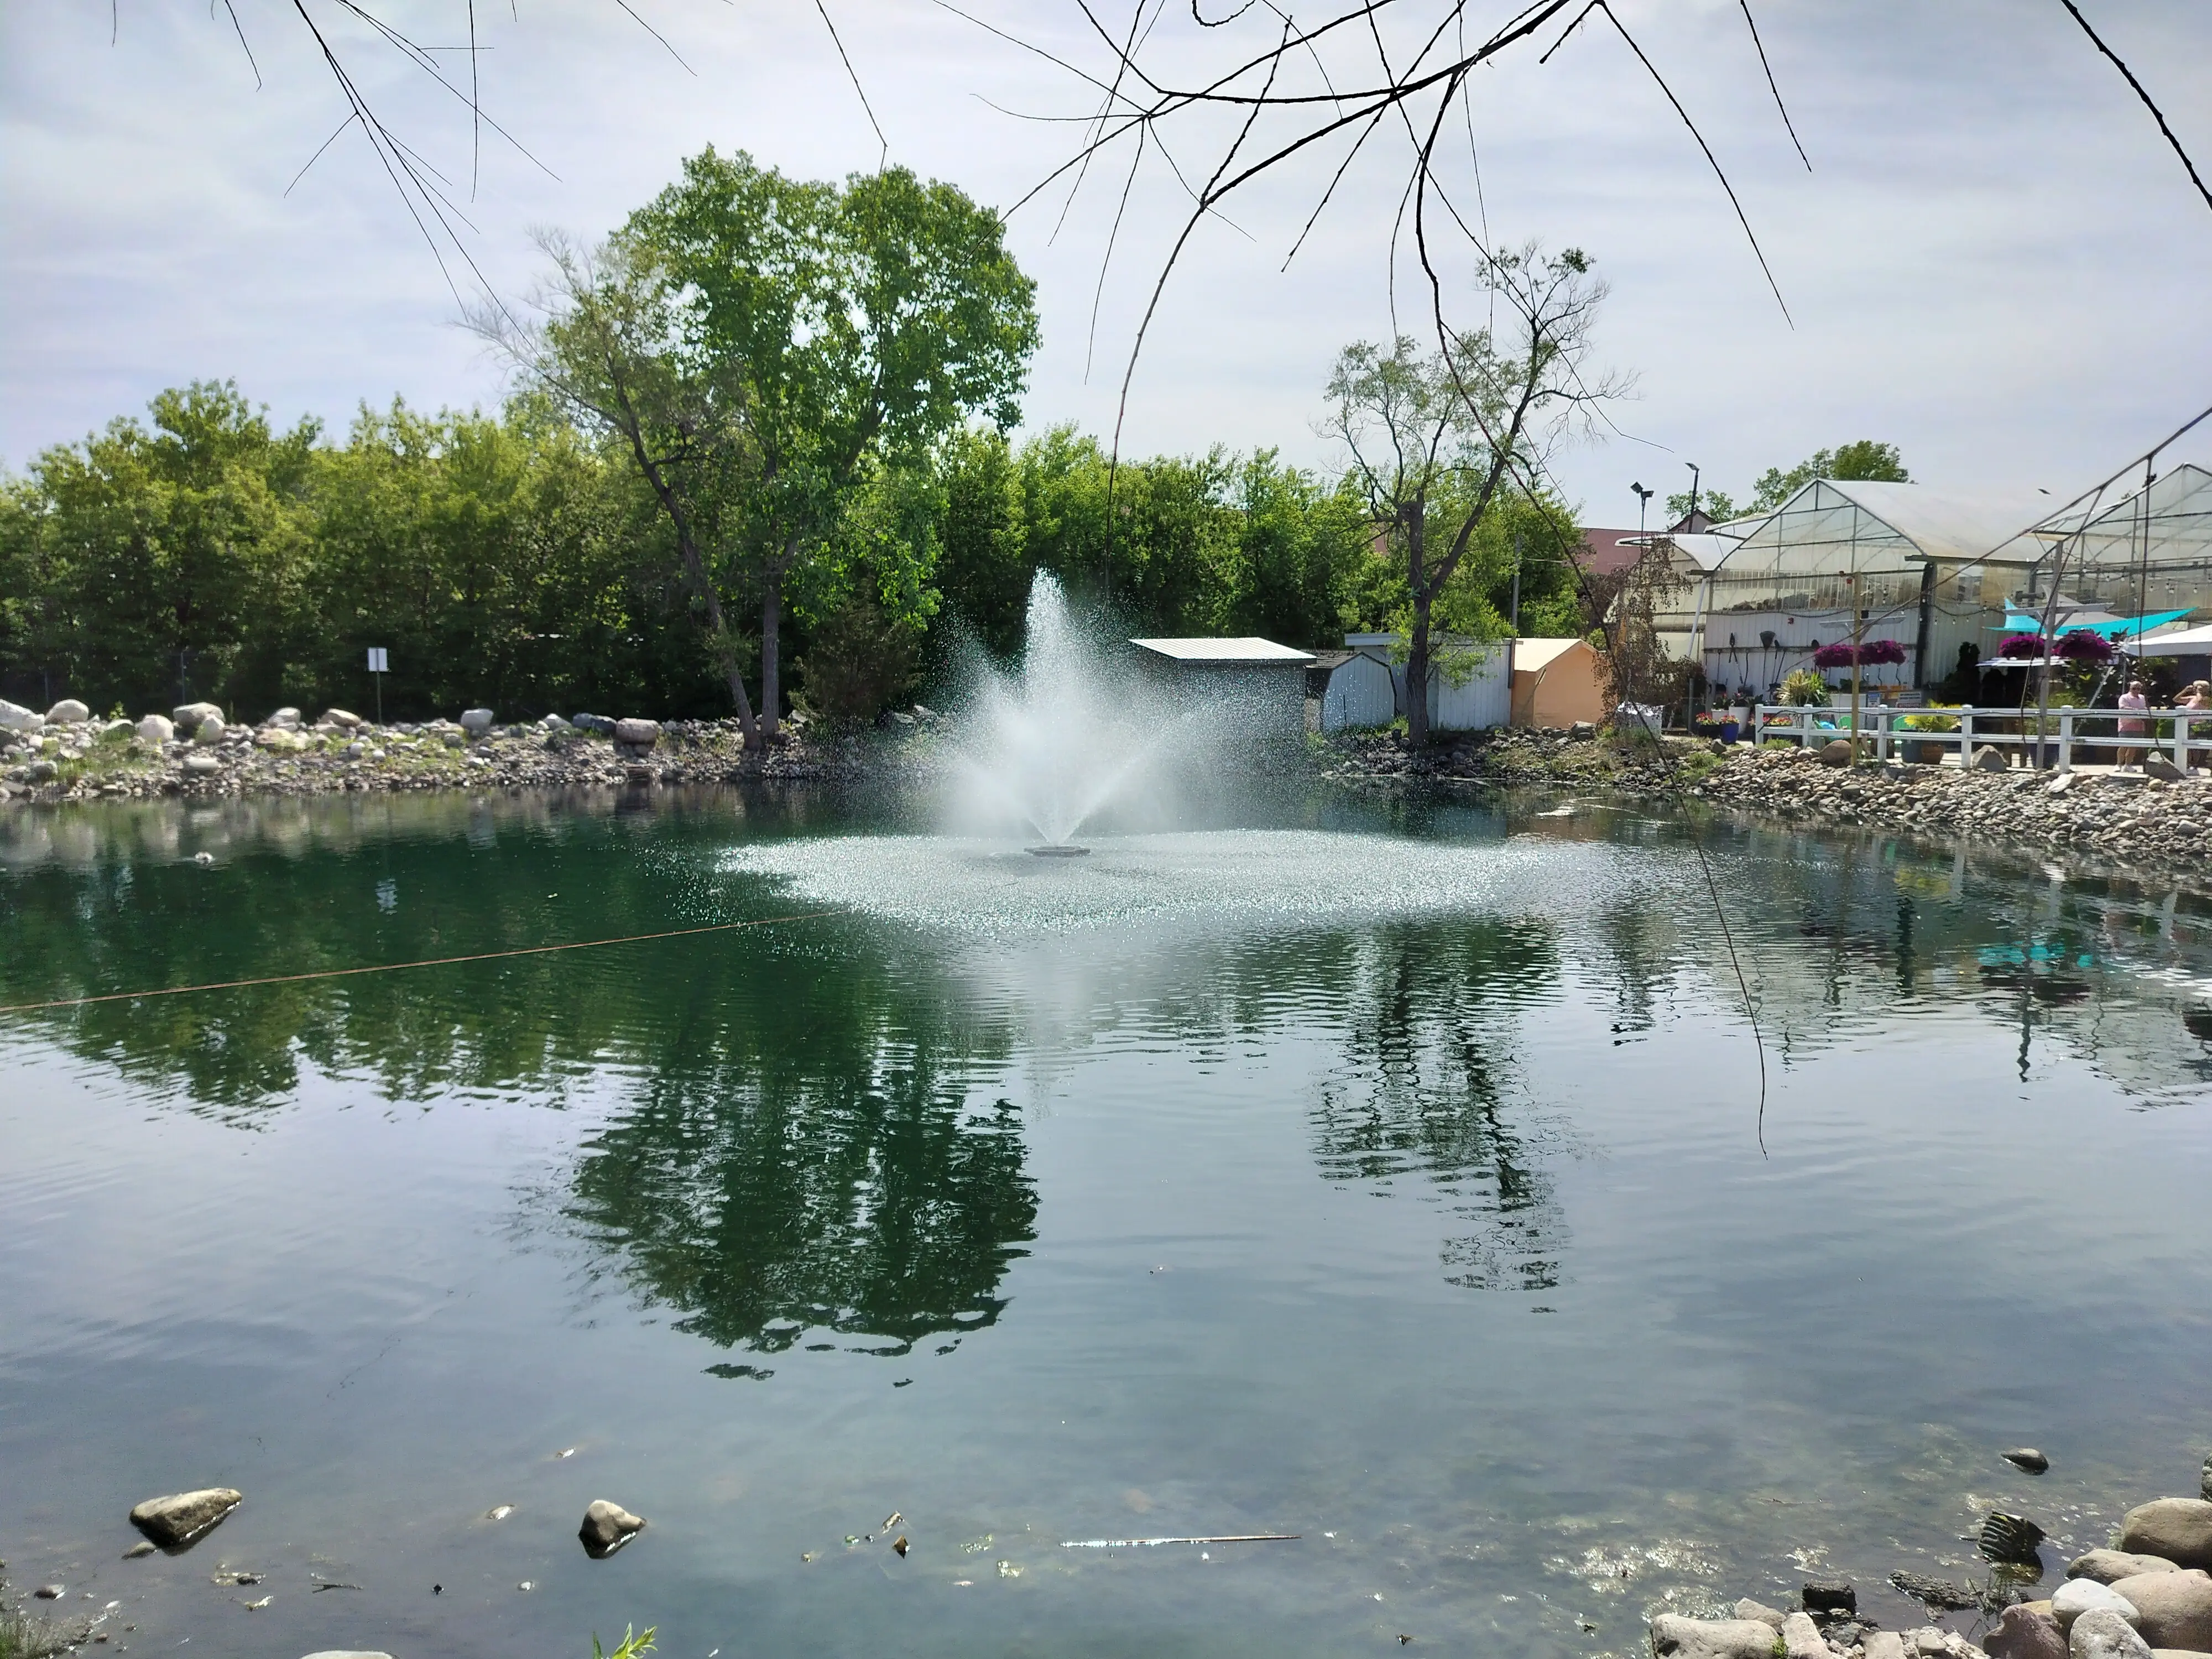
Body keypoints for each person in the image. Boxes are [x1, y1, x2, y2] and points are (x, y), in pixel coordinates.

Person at [2116, 679, 2149, 771]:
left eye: (2138, 689)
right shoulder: (2124, 697)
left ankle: (2128, 765)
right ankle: (2119, 764)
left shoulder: (2142, 698)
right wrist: (2136, 711)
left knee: (2134, 746)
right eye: (2134, 688)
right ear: (2130, 688)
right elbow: (2123, 708)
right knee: (2123, 745)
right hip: (2126, 725)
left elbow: (2144, 708)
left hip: (2139, 726)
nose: (2136, 691)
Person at [2180, 680, 2212, 769]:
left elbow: (2200, 700)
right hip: (2188, 725)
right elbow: (2176, 700)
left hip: (2200, 726)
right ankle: (2189, 763)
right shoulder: (2192, 698)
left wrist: (2199, 691)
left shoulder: (2207, 699)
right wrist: (2185, 690)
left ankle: (2197, 764)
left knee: (2197, 747)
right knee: (2188, 746)